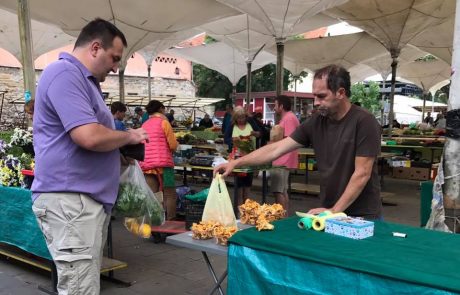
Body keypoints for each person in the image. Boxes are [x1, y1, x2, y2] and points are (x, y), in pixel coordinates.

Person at [31, 18, 148, 295]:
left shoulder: (83, 80)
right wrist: (129, 136)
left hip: (79, 203)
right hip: (71, 203)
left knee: (82, 286)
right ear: (95, 47)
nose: (116, 66)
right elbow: (89, 136)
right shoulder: (64, 74)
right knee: (80, 289)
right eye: (115, 58)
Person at [215, 65, 382, 220]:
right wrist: (237, 162)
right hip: (329, 211)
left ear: (340, 92)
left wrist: (334, 211)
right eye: (314, 96)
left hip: (362, 215)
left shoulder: (364, 121)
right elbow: (276, 149)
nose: (316, 102)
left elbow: (362, 174)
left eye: (322, 96)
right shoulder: (316, 121)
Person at [139, 100, 178, 220]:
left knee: (154, 195)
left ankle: (156, 223)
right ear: (161, 109)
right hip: (164, 165)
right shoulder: (164, 123)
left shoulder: (144, 125)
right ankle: (170, 222)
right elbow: (172, 145)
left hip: (147, 166)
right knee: (169, 194)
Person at [224, 106, 260, 206]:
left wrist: (255, 133)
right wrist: (233, 141)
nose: (241, 120)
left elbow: (260, 133)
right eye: (238, 118)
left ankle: (246, 208)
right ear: (235, 118)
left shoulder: (251, 122)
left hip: (250, 157)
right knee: (239, 186)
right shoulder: (232, 126)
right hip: (237, 158)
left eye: (243, 117)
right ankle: (239, 210)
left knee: (247, 185)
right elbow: (226, 138)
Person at [270, 95, 300, 213]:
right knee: (282, 190)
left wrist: (271, 144)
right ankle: (283, 215)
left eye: (276, 105)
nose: (274, 108)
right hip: (282, 159)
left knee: (279, 191)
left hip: (283, 159)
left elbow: (289, 140)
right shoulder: (287, 118)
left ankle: (281, 217)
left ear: (281, 106)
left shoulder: (289, 118)